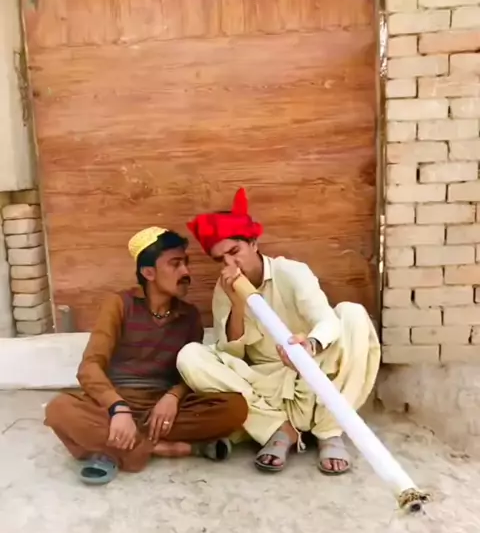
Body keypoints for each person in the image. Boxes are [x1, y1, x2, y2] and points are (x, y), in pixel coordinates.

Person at [177, 188, 380, 474]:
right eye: (220, 260)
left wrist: (310, 345)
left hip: (313, 376)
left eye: (234, 252)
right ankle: (278, 428)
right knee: (190, 356)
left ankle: (330, 430)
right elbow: (230, 353)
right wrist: (237, 303)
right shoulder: (224, 290)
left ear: (254, 243)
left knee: (353, 314)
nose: (230, 265)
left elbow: (327, 321)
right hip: (267, 386)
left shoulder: (291, 271)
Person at [45, 227, 247, 484]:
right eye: (175, 264)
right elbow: (90, 366)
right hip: (116, 401)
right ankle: (168, 448)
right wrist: (118, 408)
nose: (186, 272)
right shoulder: (119, 304)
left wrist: (173, 397)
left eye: (185, 263)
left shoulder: (189, 316)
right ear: (148, 273)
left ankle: (113, 447)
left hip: (163, 410)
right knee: (59, 410)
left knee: (236, 408)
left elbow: (191, 373)